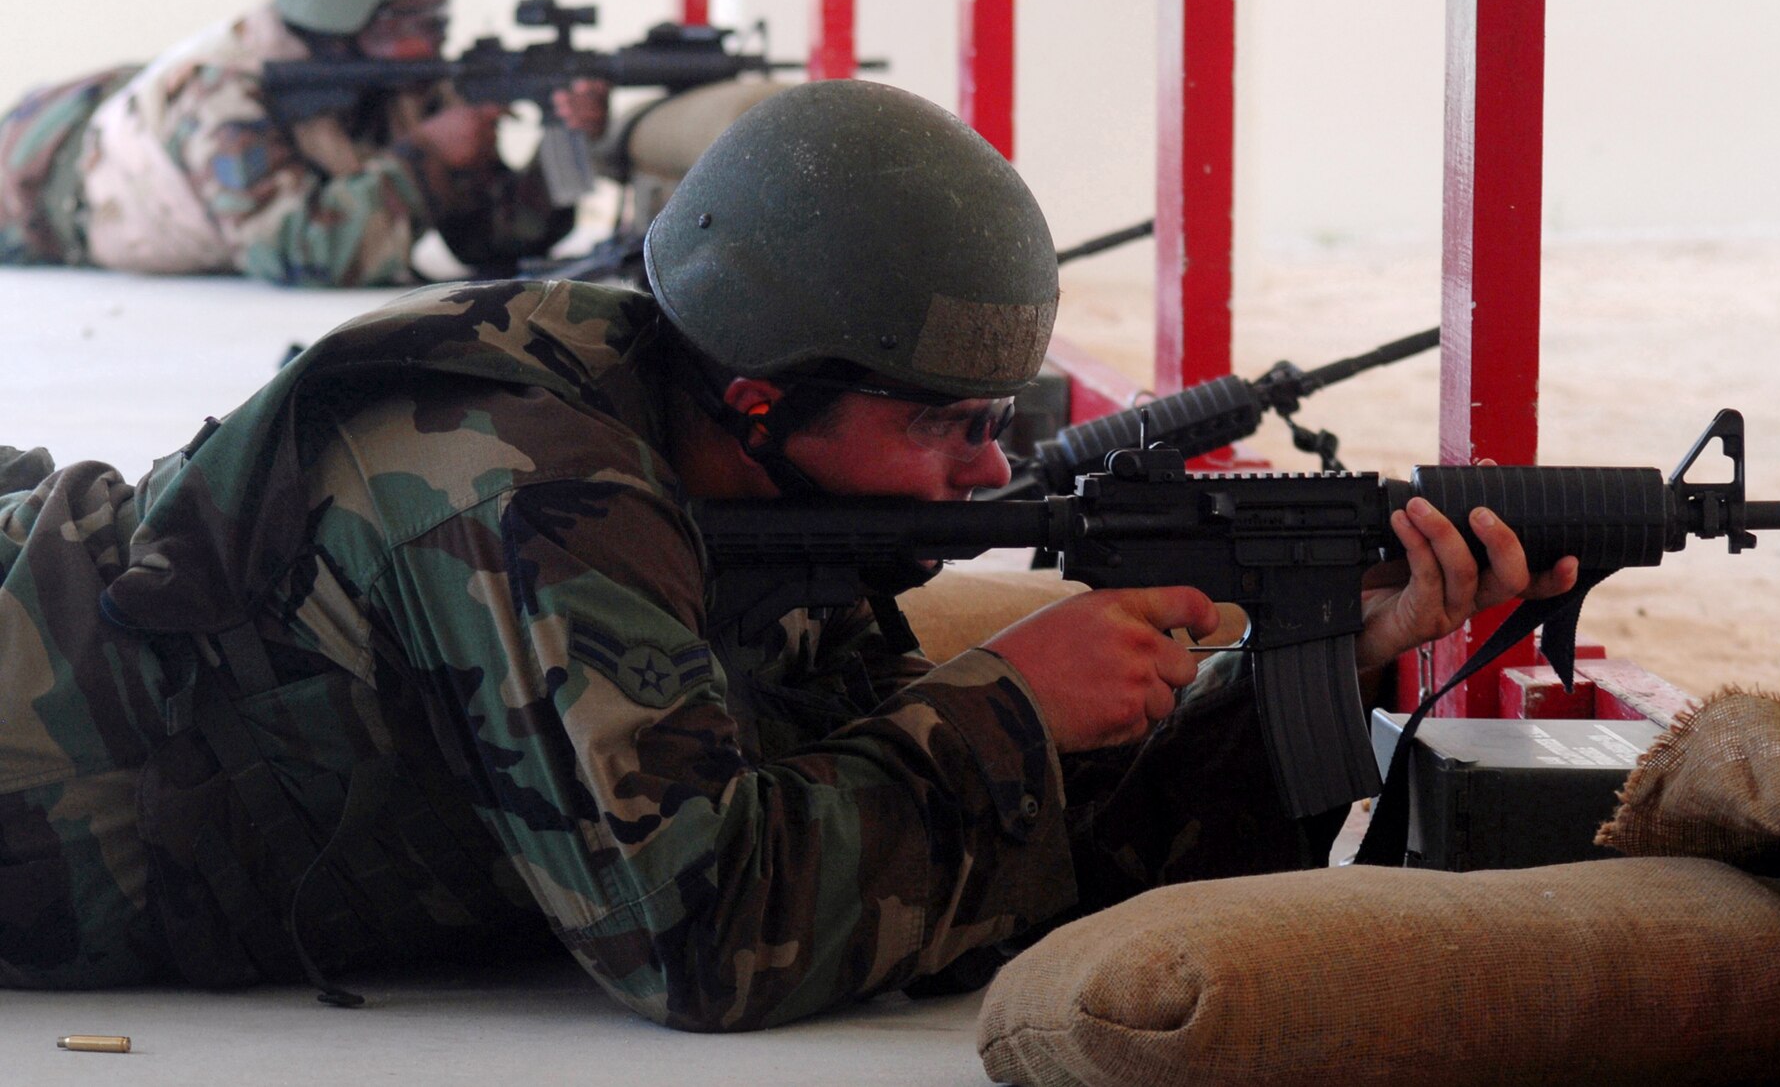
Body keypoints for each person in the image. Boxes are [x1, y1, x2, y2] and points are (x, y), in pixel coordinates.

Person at [0, 80, 1576, 1029]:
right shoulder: (516, 483)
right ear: (766, 395)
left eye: (1005, 415)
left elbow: (940, 853)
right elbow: (703, 932)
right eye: (950, 421)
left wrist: (1314, 661)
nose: (994, 465)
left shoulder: (746, 490)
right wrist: (1008, 702)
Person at [0, 0, 608, 286]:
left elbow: (487, 238)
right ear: (342, 16)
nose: (430, 45)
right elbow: (293, 252)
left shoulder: (401, 79)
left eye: (439, 20)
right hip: (38, 183)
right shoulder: (224, 95)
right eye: (410, 22)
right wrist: (427, 158)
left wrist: (563, 147)